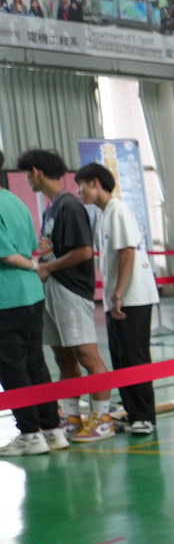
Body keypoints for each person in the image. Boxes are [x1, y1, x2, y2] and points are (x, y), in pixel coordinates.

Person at [21, 149, 110, 440]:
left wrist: (49, 268)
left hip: (72, 290)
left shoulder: (69, 206)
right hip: (54, 289)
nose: (28, 180)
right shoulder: (51, 208)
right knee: (63, 356)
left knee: (86, 354)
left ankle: (103, 418)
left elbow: (84, 251)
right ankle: (72, 415)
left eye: (27, 175)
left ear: (36, 171)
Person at [81, 163, 159, 437]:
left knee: (135, 356)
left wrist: (117, 296)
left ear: (95, 183)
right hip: (120, 297)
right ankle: (132, 411)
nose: (80, 192)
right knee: (121, 356)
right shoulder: (105, 213)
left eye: (82, 185)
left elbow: (127, 253)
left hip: (132, 298)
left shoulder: (118, 211)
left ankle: (145, 417)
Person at [0, 157, 62, 455]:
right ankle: (52, 429)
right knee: (35, 361)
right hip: (31, 295)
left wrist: (32, 263)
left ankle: (30, 434)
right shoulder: (15, 202)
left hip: (6, 297)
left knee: (12, 367)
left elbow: (8, 256)